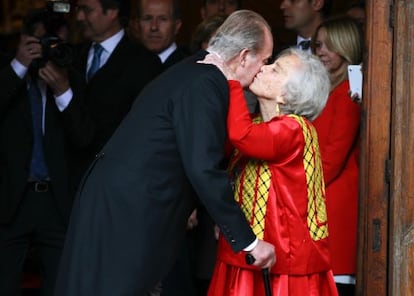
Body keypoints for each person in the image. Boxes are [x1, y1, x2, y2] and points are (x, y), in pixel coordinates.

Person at [54, 10, 275, 296]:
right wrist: (248, 241)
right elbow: (202, 167)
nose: (264, 70)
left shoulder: (196, 69)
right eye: (265, 60)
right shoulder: (206, 83)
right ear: (244, 56)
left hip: (124, 200)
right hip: (129, 208)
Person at [199, 47, 337, 296]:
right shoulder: (256, 124)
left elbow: (242, 136)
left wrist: (230, 78)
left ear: (286, 96)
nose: (263, 68)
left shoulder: (295, 129)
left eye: (276, 70)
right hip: (245, 255)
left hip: (283, 267)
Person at [0, 8, 84, 296]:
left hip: (56, 202)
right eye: (42, 43)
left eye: (57, 44)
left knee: (60, 287)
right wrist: (18, 66)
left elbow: (85, 138)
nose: (49, 50)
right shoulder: (6, 70)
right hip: (10, 200)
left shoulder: (73, 77)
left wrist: (63, 91)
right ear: (25, 40)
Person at [57, 0, 162, 187]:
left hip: (118, 184)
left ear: (112, 11)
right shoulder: (72, 57)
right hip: (71, 183)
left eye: (86, 10)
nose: (79, 17)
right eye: (78, 10)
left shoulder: (143, 63)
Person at [312, 16, 363, 296]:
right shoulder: (328, 91)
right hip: (322, 198)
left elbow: (331, 159)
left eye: (329, 45)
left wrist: (296, 188)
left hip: (334, 203)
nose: (321, 51)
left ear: (346, 47)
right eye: (318, 44)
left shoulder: (348, 94)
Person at [136, 0, 189, 69]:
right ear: (137, 24)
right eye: (147, 19)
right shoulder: (126, 66)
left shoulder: (188, 67)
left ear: (177, 26)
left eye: (163, 19)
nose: (154, 27)